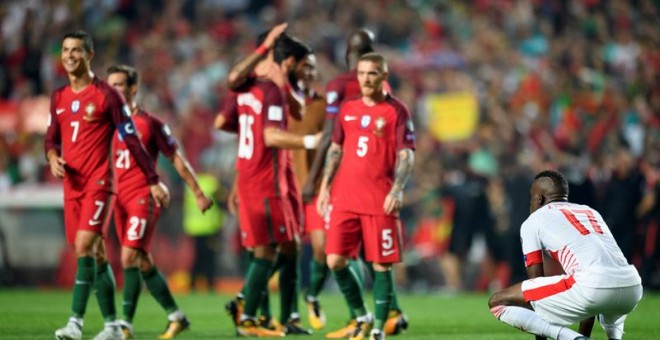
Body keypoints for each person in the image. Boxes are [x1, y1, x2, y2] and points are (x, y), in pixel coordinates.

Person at [46, 31, 169, 340]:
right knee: (96, 254)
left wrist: (153, 180)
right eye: (65, 50)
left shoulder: (106, 96)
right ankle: (113, 326)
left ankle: (75, 322)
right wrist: (51, 156)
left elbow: (132, 139)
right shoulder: (58, 97)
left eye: (76, 50)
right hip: (71, 186)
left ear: (90, 55)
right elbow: (51, 137)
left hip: (99, 182)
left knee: (84, 246)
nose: (70, 55)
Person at [214, 25, 319, 337]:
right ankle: (248, 311)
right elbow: (270, 134)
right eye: (305, 65)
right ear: (286, 61)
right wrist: (311, 142)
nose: (308, 71)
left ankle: (282, 318)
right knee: (267, 250)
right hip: (267, 178)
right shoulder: (265, 89)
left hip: (261, 174)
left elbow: (226, 121)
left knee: (289, 246)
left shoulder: (252, 88)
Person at [305, 29, 407, 338]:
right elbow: (337, 140)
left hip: (367, 188)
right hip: (357, 186)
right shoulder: (375, 88)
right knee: (356, 257)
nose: (365, 78)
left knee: (365, 258)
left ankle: (367, 321)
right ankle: (387, 314)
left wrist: (315, 181)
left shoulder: (340, 86)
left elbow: (328, 137)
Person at [106, 64, 213, 339]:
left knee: (129, 256)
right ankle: (176, 316)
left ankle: (125, 326)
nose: (112, 90)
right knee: (141, 260)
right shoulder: (107, 123)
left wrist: (198, 192)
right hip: (117, 199)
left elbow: (177, 158)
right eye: (110, 85)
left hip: (143, 196)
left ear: (133, 89)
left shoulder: (151, 124)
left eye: (118, 85)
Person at [488, 170, 643, 340]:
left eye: (531, 197)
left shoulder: (534, 220)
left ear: (538, 198)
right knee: (592, 280)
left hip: (593, 286)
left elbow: (536, 288)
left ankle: (569, 338)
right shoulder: (590, 212)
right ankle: (613, 337)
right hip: (632, 287)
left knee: (497, 301)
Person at [287, 52, 327, 332]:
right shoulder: (279, 103)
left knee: (322, 249)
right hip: (285, 188)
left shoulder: (324, 105)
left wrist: (320, 182)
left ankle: (311, 295)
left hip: (313, 189)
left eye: (311, 67)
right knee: (284, 252)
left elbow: (333, 145)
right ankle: (285, 314)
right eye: (303, 68)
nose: (308, 72)